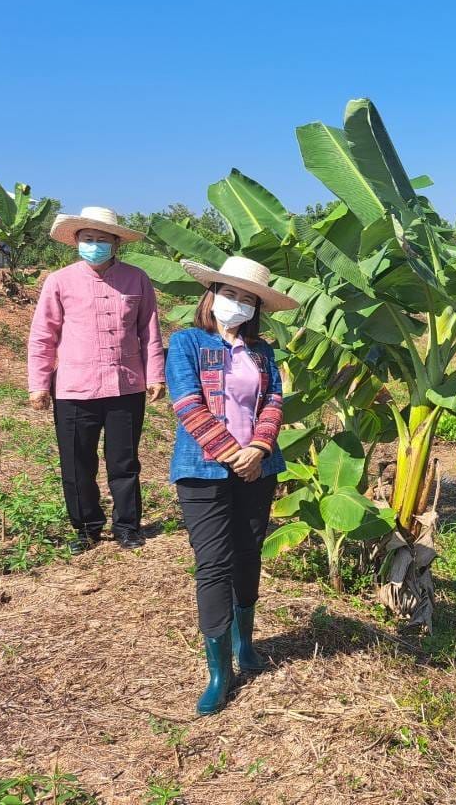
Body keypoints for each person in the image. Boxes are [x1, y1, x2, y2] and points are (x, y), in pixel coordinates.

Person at [165, 255, 298, 716]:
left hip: (257, 468)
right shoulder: (186, 343)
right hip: (202, 469)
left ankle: (246, 645)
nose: (237, 304)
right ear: (212, 295)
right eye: (230, 294)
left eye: (247, 299)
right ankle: (219, 671)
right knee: (214, 564)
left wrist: (258, 450)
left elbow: (275, 399)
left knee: (248, 554)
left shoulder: (262, 351)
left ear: (256, 308)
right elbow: (186, 401)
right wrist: (230, 452)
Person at [28, 207, 166, 552]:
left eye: (102, 239)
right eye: (88, 239)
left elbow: (150, 330)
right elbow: (43, 335)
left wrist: (156, 375)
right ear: (76, 241)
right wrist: (39, 383)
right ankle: (86, 527)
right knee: (77, 463)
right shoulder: (59, 281)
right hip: (75, 387)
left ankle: (127, 526)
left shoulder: (137, 279)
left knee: (125, 461)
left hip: (126, 384)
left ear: (116, 243)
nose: (94, 245)